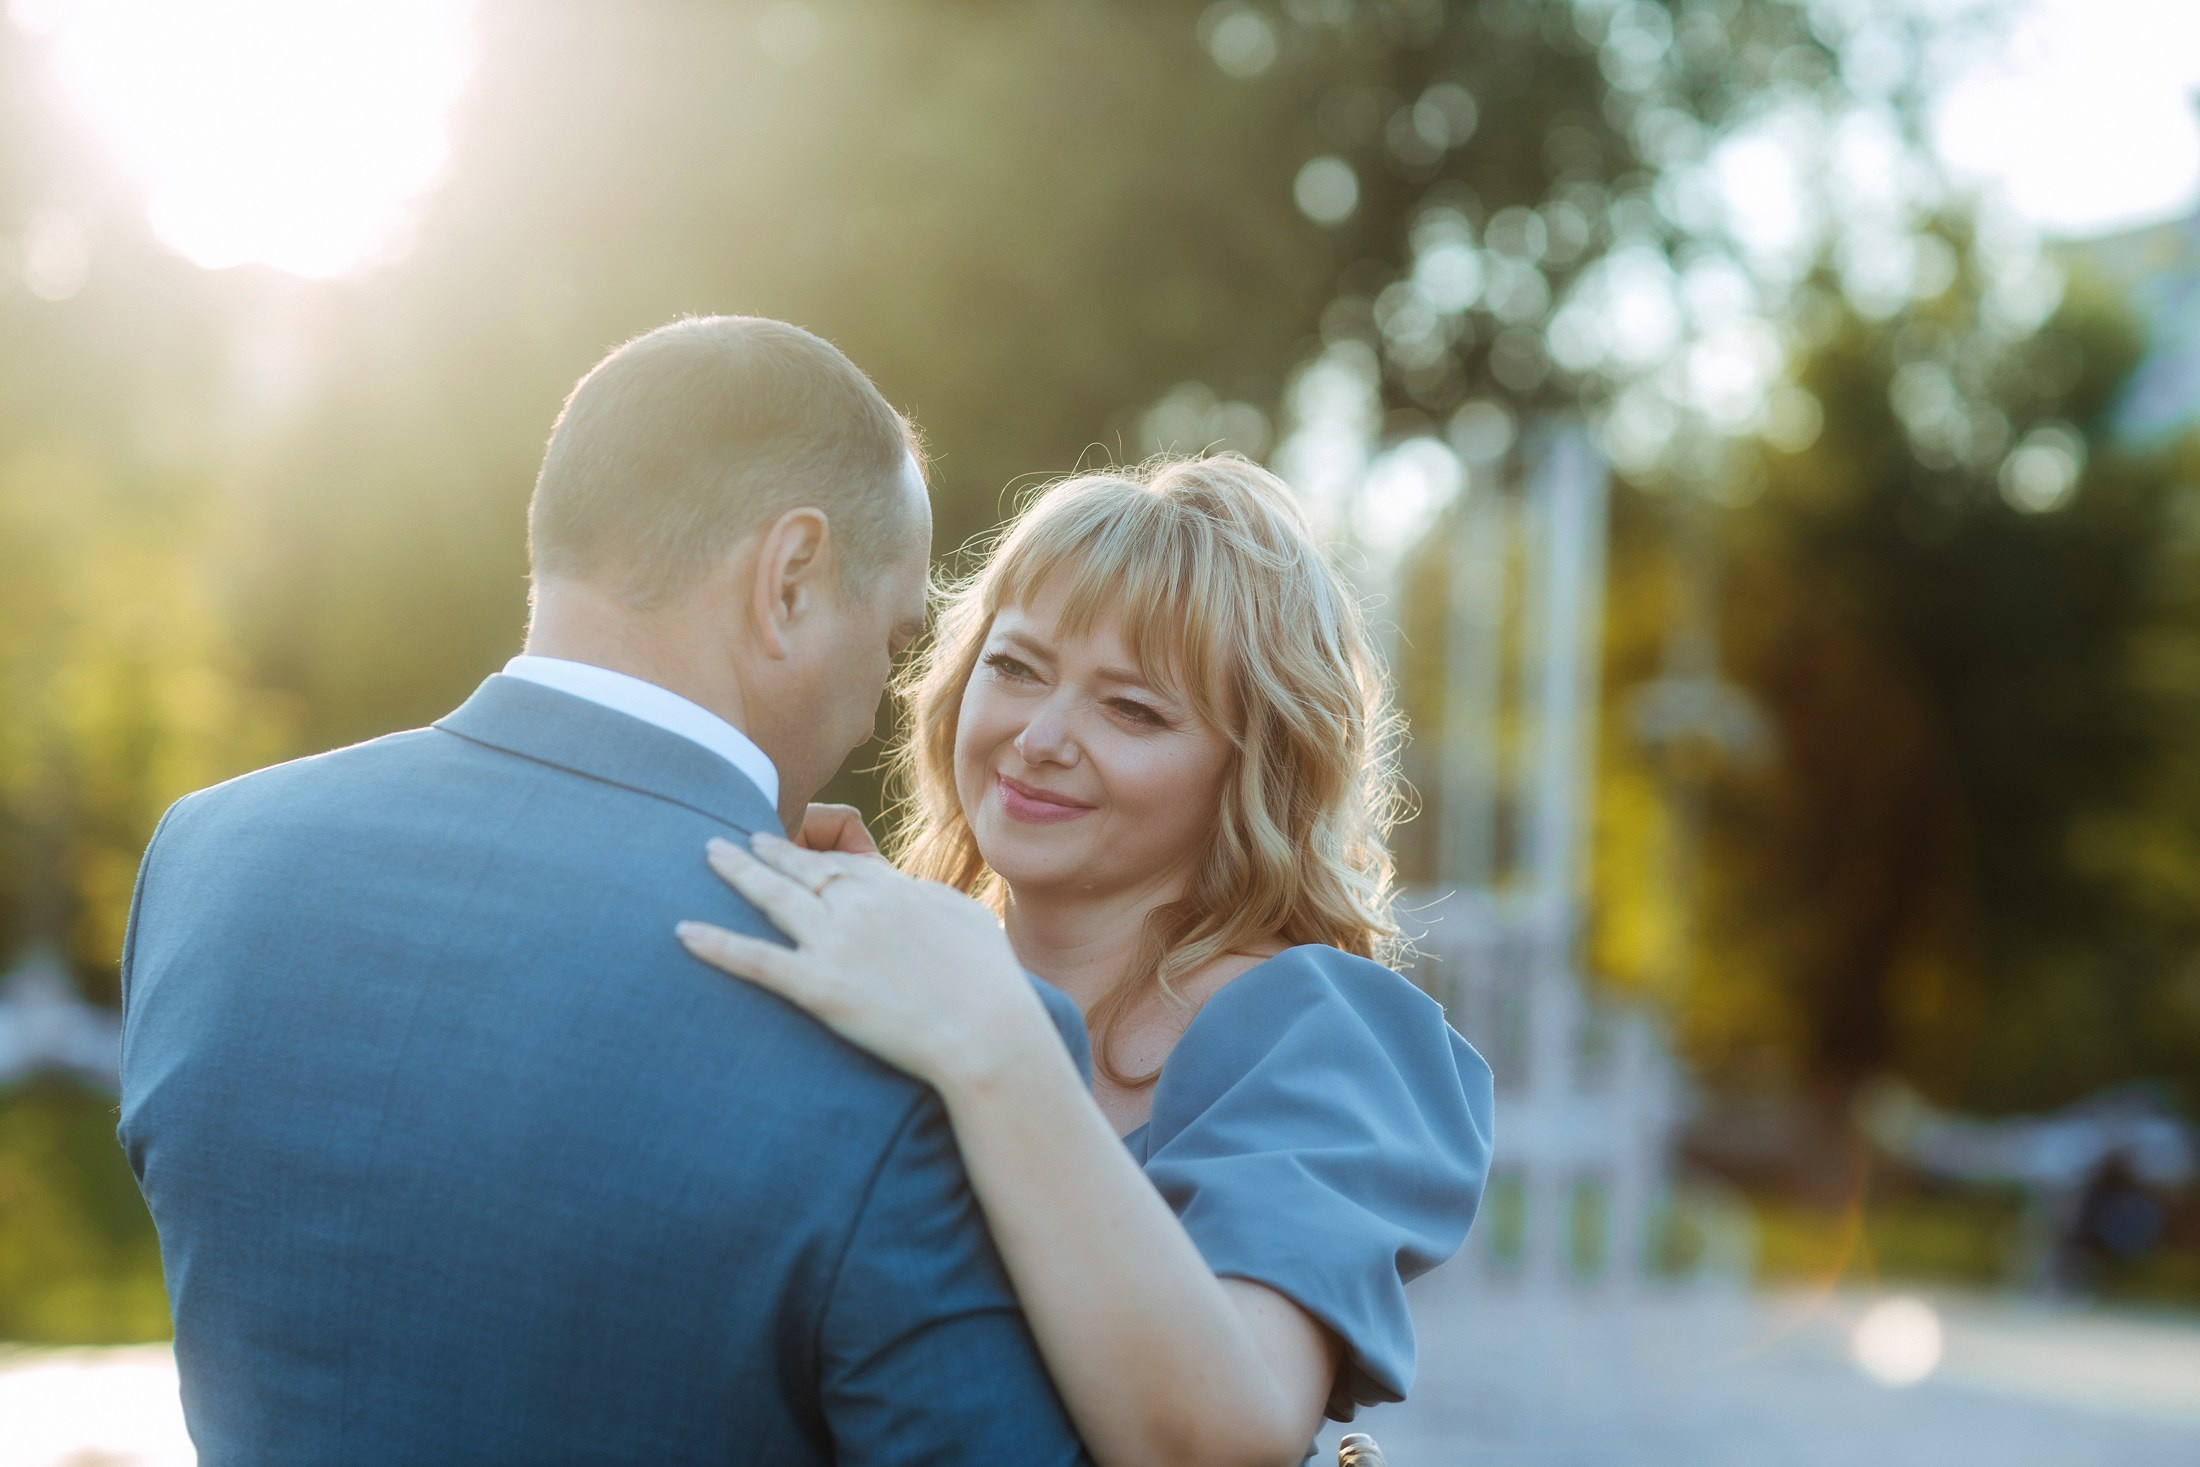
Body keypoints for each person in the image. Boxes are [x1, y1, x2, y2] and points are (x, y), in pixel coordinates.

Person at [116, 316, 1093, 1464]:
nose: (879, 704)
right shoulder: (926, 1034)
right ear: (788, 581)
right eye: (890, 641)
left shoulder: (209, 858)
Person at [678, 456, 1496, 1467]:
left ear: (1253, 769)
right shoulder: (889, 959)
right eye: (1017, 667)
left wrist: (992, 1038)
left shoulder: (1313, 1036)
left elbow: (1218, 1442)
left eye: (1133, 710)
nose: (1041, 737)